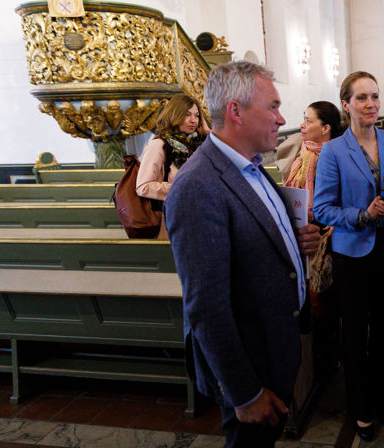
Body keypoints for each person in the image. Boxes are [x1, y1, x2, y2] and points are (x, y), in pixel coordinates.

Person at [163, 61, 320, 448]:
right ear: (235, 111)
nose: (282, 119)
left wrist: (293, 242)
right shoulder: (198, 185)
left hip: (273, 345)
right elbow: (206, 307)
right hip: (249, 363)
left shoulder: (250, 166)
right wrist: (245, 393)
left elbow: (252, 238)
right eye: (273, 106)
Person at [312, 71, 384, 442]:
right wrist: (364, 215)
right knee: (356, 334)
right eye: (361, 98)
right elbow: (323, 208)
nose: (371, 104)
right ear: (346, 104)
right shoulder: (333, 150)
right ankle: (361, 410)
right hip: (353, 254)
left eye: (374, 96)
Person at [284, 100, 343, 380]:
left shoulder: (337, 156)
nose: (302, 125)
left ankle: (329, 362)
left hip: (328, 234)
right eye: (303, 118)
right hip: (302, 234)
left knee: (325, 301)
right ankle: (313, 362)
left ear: (326, 128)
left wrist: (332, 224)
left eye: (309, 120)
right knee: (309, 299)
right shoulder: (303, 152)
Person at [136, 94, 208, 238]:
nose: (193, 120)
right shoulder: (159, 145)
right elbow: (143, 186)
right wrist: (183, 190)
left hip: (200, 216)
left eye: (196, 116)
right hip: (172, 219)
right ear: (175, 115)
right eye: (187, 115)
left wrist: (208, 132)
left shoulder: (200, 144)